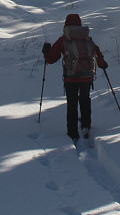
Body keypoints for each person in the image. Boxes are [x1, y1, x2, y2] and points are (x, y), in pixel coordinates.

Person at [42, 13, 108, 141]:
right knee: (85, 99)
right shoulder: (87, 38)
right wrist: (102, 64)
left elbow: (51, 58)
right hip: (87, 77)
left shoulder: (64, 39)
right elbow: (97, 53)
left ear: (66, 24)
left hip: (70, 78)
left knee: (72, 103)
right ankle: (86, 125)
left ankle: (72, 132)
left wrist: (46, 52)